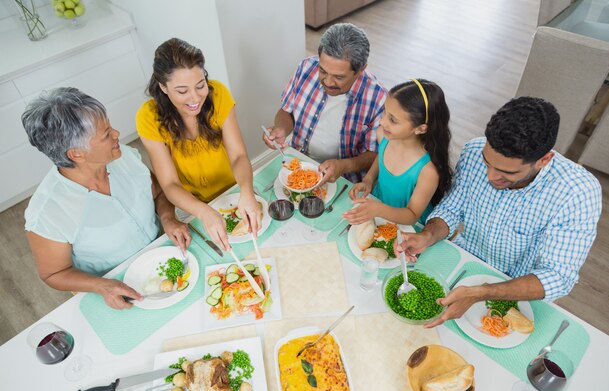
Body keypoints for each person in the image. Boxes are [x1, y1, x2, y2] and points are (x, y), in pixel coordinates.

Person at [396, 97, 602, 328]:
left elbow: (557, 276)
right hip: (464, 262)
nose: (491, 177)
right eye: (487, 163)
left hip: (517, 289)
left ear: (544, 160)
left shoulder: (578, 191)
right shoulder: (474, 150)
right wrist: (428, 236)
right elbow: (452, 209)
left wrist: (482, 293)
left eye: (506, 173)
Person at [22, 87, 190, 310]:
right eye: (105, 134)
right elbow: (54, 273)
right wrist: (102, 286)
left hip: (164, 255)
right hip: (116, 285)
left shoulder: (124, 156)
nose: (116, 134)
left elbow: (158, 192)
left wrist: (168, 217)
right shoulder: (48, 212)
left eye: (110, 126)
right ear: (76, 154)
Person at [136, 38, 260, 251]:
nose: (195, 98)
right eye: (182, 91)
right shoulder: (148, 117)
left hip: (233, 190)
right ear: (163, 87)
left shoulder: (218, 94)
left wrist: (246, 191)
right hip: (190, 204)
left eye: (200, 85)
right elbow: (169, 185)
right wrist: (203, 212)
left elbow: (238, 156)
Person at [262, 23, 387, 184]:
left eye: (339, 77)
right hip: (299, 163)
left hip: (344, 179)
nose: (327, 82)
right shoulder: (306, 67)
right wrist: (282, 129)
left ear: (360, 70)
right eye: (322, 71)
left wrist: (344, 166)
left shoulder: (378, 98)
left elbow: (375, 154)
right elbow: (286, 111)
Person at [343, 79, 452, 226]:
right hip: (377, 210)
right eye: (385, 112)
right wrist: (368, 179)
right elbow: (381, 157)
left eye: (393, 120)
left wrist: (379, 210)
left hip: (407, 228)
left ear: (420, 128)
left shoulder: (428, 171)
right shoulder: (385, 135)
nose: (382, 122)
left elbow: (412, 215)